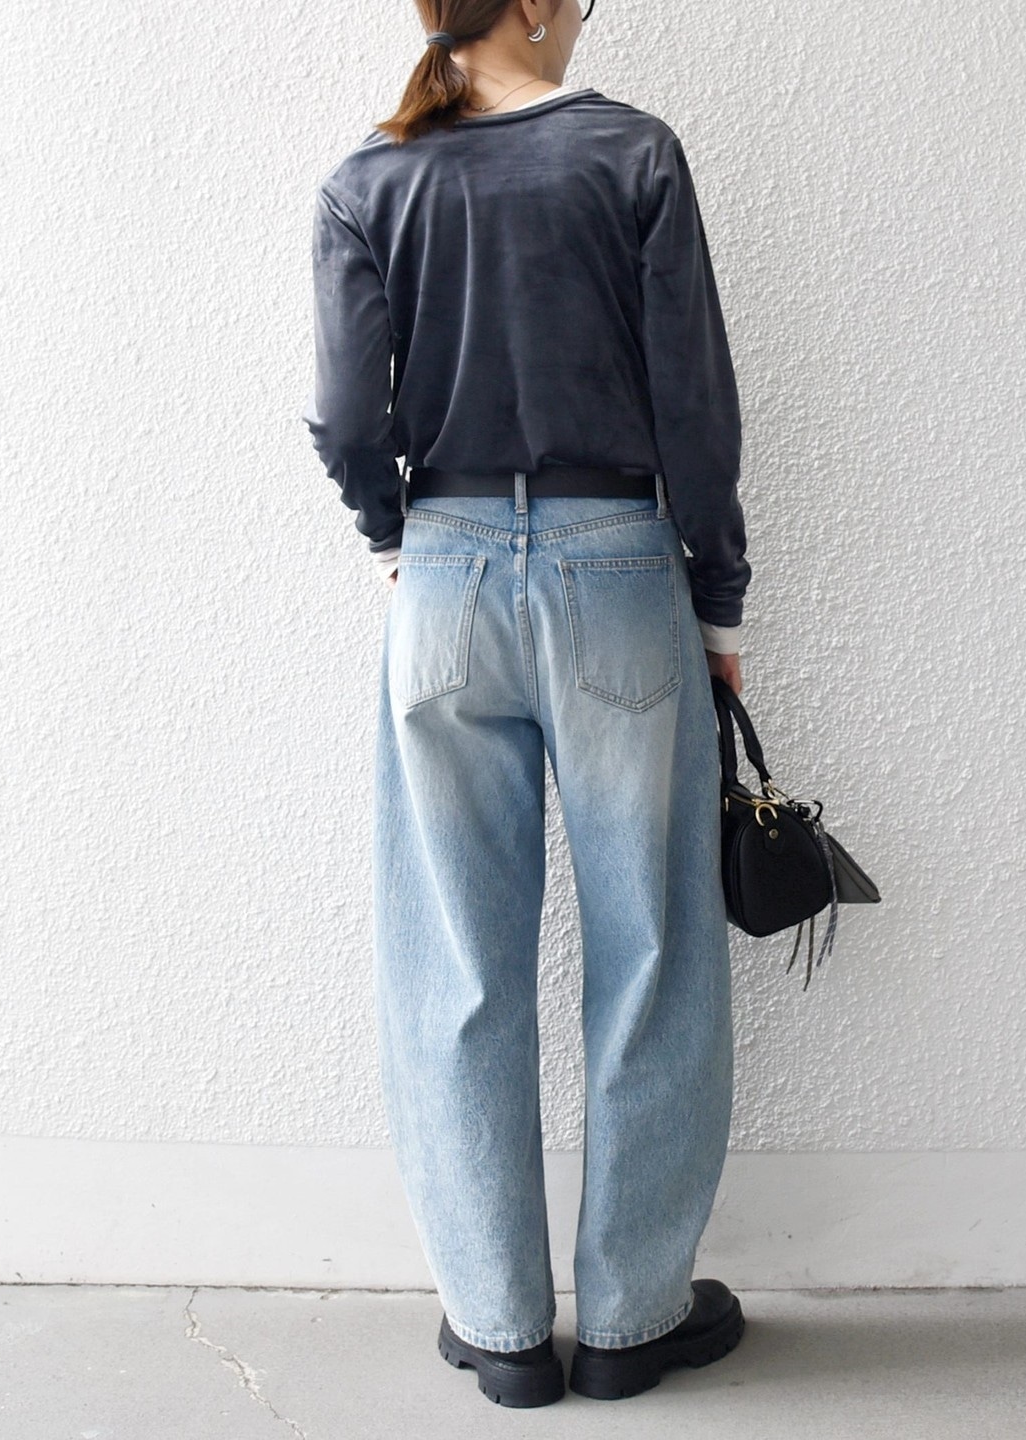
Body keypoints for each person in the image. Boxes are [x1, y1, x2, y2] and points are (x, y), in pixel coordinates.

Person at [303, 0, 751, 1409]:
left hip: (441, 585)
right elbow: (695, 405)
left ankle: (499, 1329)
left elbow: (346, 417)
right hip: (617, 565)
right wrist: (719, 600)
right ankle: (630, 1319)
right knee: (652, 946)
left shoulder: (368, 181)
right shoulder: (633, 155)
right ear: (542, 5)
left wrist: (398, 540)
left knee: (456, 961)